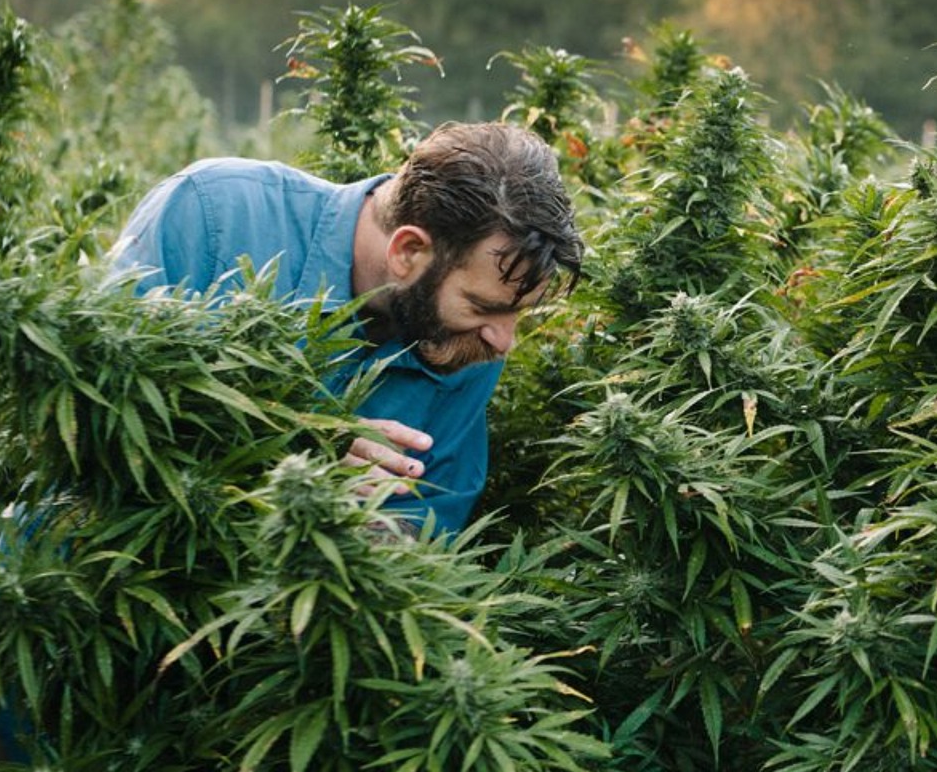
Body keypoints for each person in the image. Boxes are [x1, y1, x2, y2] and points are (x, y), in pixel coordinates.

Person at [108, 120, 584, 536]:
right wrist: (292, 448)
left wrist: (369, 536)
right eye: (482, 306)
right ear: (408, 252)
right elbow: (102, 403)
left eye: (517, 313)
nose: (503, 342)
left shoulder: (466, 344)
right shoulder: (213, 213)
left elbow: (423, 529)